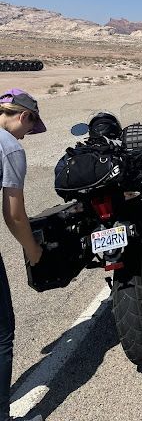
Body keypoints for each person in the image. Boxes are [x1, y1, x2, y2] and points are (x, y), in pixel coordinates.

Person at [0, 89, 46, 421]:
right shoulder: (9, 147)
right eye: (30, 127)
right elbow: (14, 215)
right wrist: (33, 250)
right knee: (2, 333)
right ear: (23, 116)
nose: (27, 135)